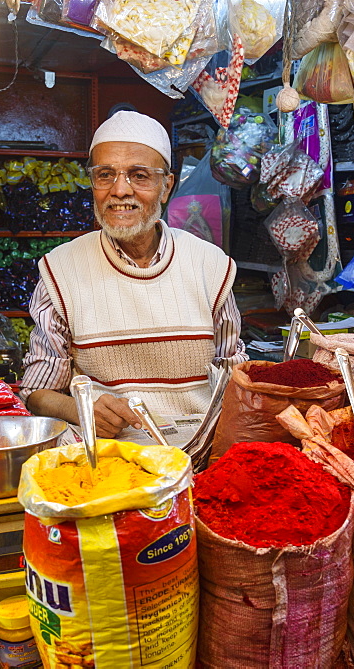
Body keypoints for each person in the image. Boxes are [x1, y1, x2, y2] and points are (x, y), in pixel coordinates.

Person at [21, 110, 247, 437]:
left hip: (201, 452)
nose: (120, 190)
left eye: (139, 175)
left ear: (166, 186)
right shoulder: (62, 271)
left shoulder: (209, 266)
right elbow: (36, 393)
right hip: (109, 458)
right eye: (105, 175)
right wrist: (82, 410)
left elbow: (235, 379)